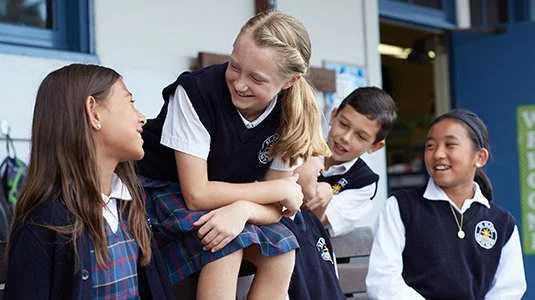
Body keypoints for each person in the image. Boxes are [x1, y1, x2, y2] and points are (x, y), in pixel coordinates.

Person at [137, 10, 330, 300]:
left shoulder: (295, 115)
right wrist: (276, 189)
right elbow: (197, 194)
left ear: (289, 81)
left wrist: (244, 209)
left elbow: (278, 207)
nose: (240, 83)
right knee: (226, 243)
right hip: (166, 190)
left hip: (233, 202)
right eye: (235, 66)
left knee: (282, 249)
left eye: (256, 78)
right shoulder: (196, 92)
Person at [4, 64, 173, 299]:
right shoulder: (43, 224)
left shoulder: (130, 205)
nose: (142, 118)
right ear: (94, 112)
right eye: (130, 102)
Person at [366, 109, 527, 299]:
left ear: (479, 157)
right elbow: (382, 281)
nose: (438, 154)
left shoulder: (502, 223)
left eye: (450, 145)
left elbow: (508, 290)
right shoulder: (400, 207)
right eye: (431, 146)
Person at [301, 87, 397, 237]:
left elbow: (319, 220)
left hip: (313, 247)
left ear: (375, 146)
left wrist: (325, 193)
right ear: (333, 116)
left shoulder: (364, 182)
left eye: (360, 136)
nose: (346, 138)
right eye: (344, 125)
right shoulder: (302, 147)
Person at [282, 157, 346, 300]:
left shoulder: (311, 220)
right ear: (290, 159)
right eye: (314, 154)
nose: (321, 167)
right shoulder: (271, 231)